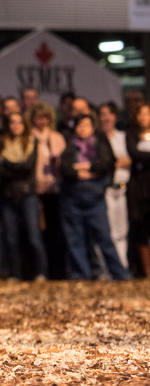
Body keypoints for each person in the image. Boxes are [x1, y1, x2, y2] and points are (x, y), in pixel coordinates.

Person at [59, 114, 129, 281]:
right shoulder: (69, 146)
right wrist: (84, 172)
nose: (83, 129)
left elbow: (106, 164)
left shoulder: (100, 144)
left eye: (87, 125)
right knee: (75, 239)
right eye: (79, 125)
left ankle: (119, 274)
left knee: (104, 237)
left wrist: (85, 167)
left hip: (95, 198)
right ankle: (81, 275)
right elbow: (65, 169)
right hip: (73, 198)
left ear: (93, 128)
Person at [0, 112, 48, 281]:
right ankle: (15, 274)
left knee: (34, 237)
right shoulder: (2, 143)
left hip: (27, 194)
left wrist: (8, 167)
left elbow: (27, 167)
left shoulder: (32, 142)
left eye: (19, 122)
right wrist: (11, 169)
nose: (16, 126)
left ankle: (41, 272)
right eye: (12, 122)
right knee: (11, 238)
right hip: (8, 195)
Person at [31, 101, 67, 279]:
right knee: (37, 231)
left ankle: (57, 270)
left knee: (56, 230)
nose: (42, 121)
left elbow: (65, 164)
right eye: (39, 117)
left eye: (45, 117)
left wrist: (56, 163)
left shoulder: (57, 137)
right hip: (35, 190)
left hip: (55, 189)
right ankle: (39, 270)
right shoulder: (29, 137)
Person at [98, 102, 130, 270]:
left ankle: (122, 266)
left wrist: (120, 161)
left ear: (115, 116)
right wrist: (116, 162)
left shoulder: (123, 137)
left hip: (123, 188)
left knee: (122, 230)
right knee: (106, 230)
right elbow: (104, 164)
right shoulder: (97, 139)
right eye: (102, 114)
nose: (105, 118)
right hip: (105, 189)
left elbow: (132, 157)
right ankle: (107, 268)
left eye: (109, 114)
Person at [126, 102, 150, 278]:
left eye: (147, 113)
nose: (143, 117)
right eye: (140, 114)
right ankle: (146, 270)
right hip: (140, 188)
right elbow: (134, 154)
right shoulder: (131, 134)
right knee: (142, 227)